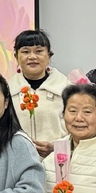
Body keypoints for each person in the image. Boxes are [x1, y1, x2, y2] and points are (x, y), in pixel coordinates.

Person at [7, 29, 68, 159]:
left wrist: (56, 147)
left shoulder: (67, 89)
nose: (32, 57)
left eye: (39, 51)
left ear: (49, 56)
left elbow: (77, 130)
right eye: (25, 51)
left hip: (58, 162)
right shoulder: (6, 91)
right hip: (18, 162)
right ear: (16, 57)